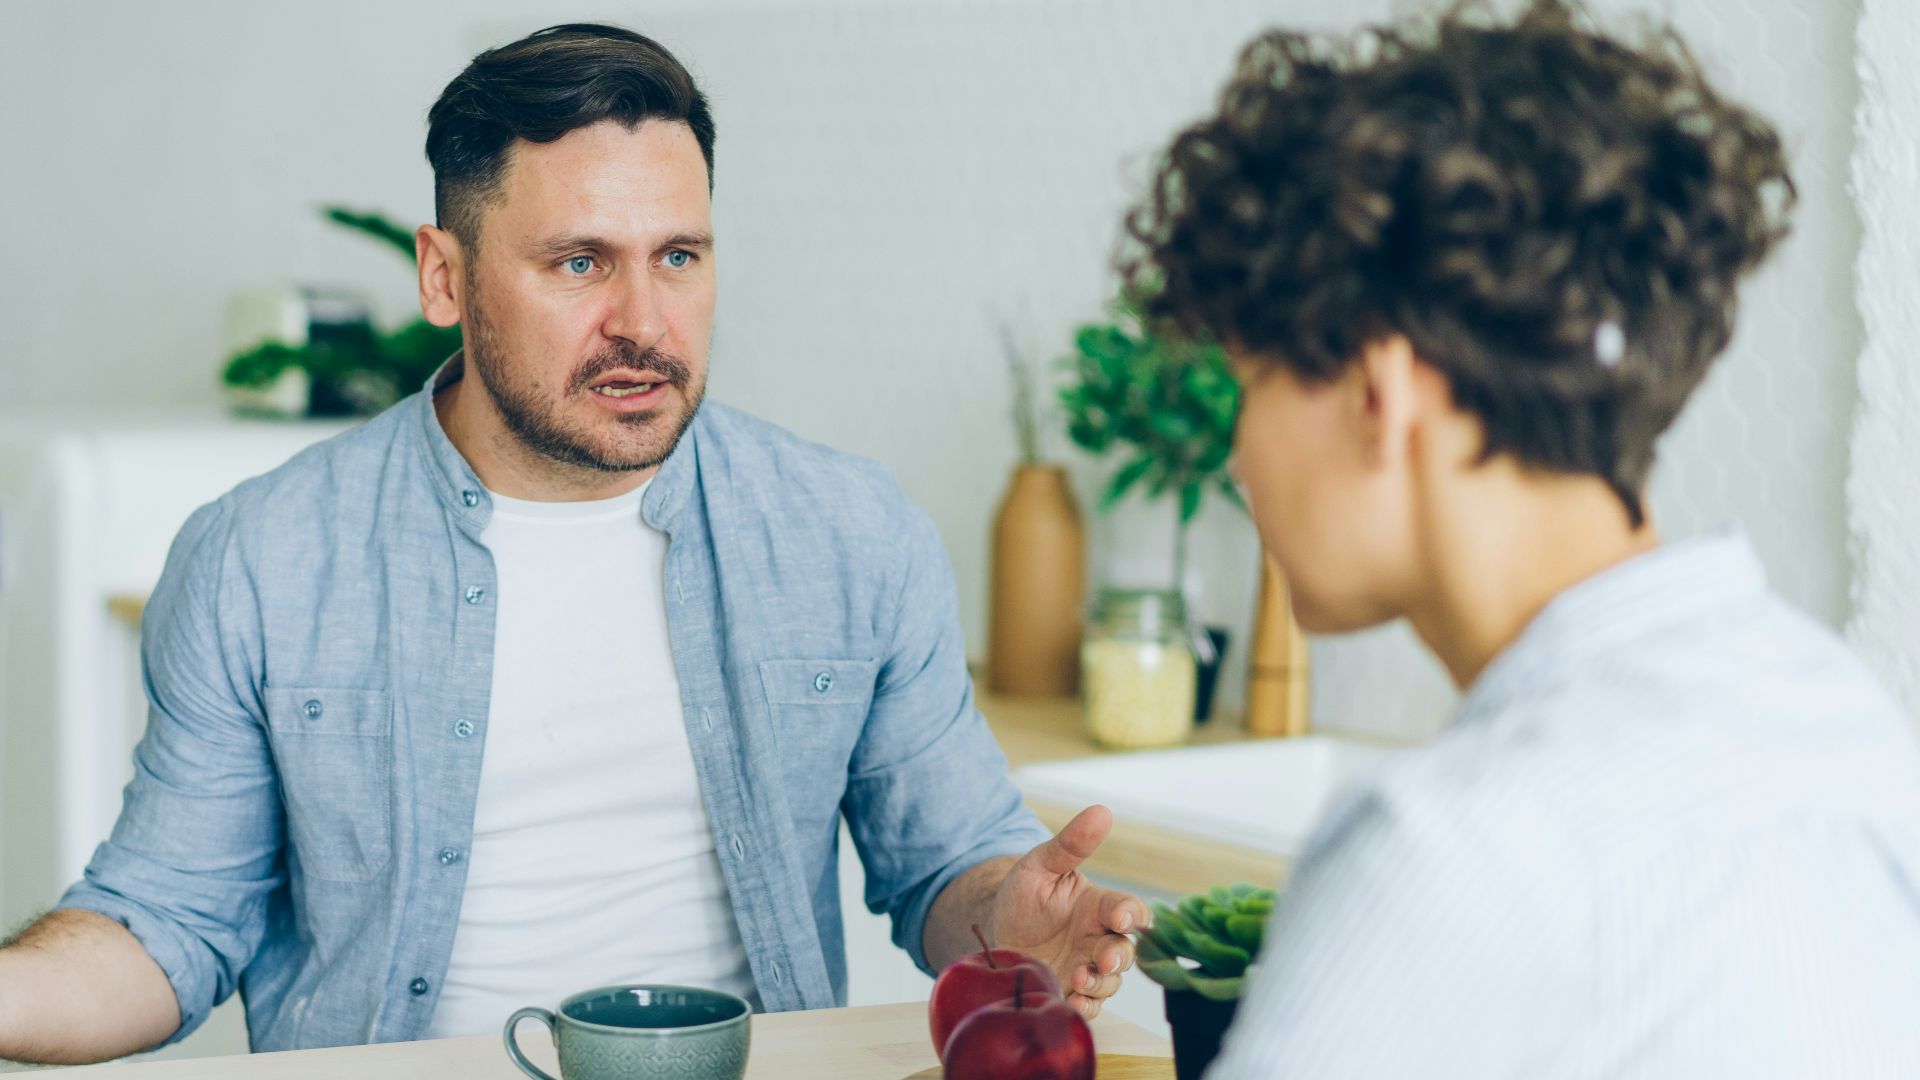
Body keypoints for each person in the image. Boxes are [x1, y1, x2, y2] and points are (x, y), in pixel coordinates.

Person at [0, 24, 1145, 1067]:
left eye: (679, 257)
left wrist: (1007, 917)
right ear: (445, 277)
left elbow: (947, 865)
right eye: (580, 263)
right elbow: (165, 926)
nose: (644, 324)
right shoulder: (262, 559)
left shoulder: (851, 533)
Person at [1121, 2, 1920, 1076]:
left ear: (1377, 388)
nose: (1237, 456)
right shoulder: (1843, 719)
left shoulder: (1454, 849)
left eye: (1249, 382)